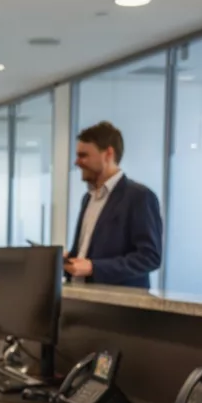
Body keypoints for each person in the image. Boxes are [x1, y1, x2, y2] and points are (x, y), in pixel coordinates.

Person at [65, 121, 163, 289]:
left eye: (84, 155)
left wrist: (93, 267)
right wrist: (68, 259)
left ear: (108, 154)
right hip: (83, 301)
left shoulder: (140, 197)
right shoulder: (88, 198)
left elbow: (149, 258)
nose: (77, 162)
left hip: (118, 308)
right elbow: (86, 256)